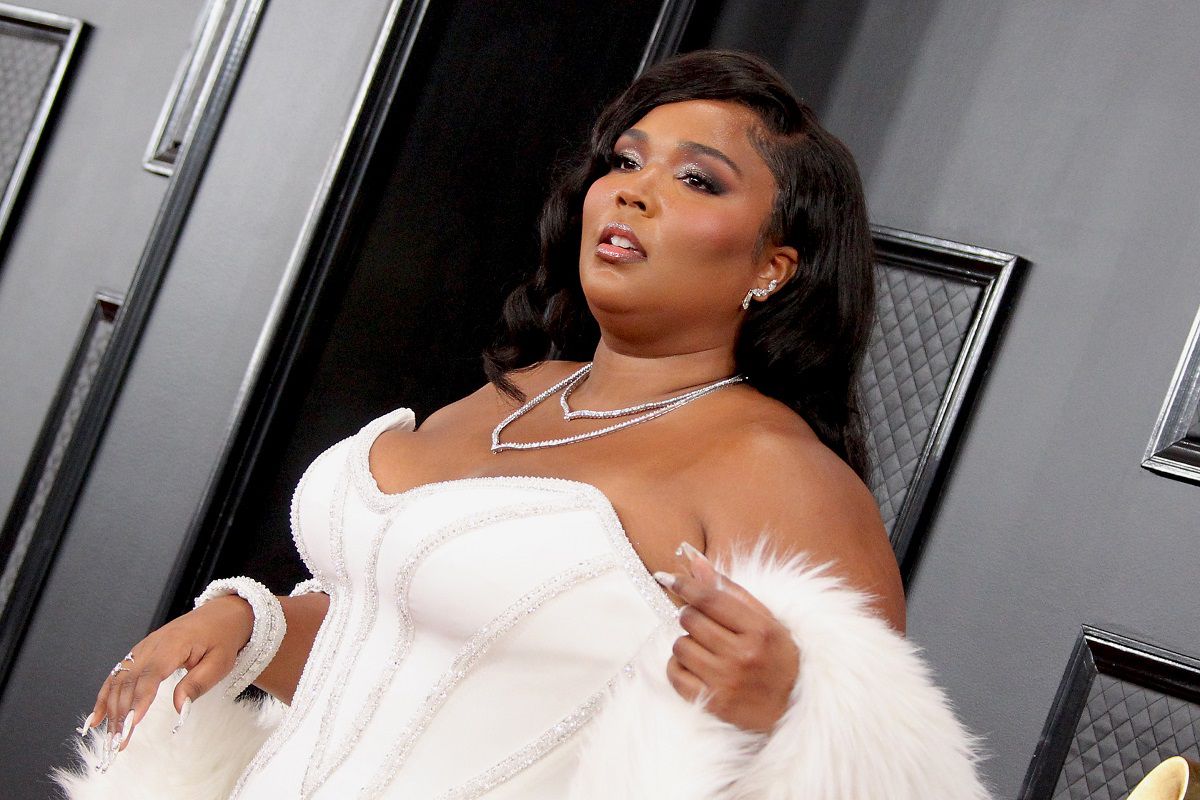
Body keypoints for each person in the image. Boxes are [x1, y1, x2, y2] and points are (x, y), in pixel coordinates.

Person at [55, 50, 990, 799]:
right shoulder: (518, 390)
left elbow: (883, 771)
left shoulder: (779, 471)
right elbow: (425, 648)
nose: (633, 189)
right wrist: (249, 622)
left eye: (698, 180)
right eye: (625, 161)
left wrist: (781, 711)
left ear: (773, 268)